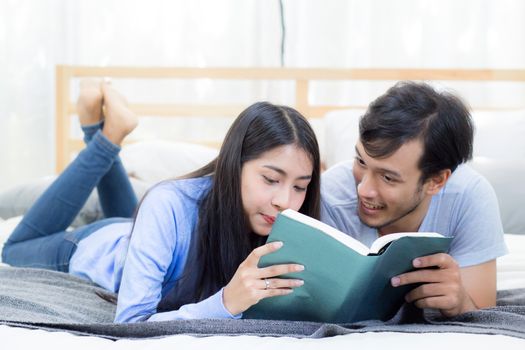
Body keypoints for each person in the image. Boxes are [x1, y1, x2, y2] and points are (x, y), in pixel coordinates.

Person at [1, 80, 321, 323]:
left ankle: (103, 129)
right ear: (232, 165)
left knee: (136, 223)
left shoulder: (294, 220)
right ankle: (100, 136)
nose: (285, 202)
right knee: (13, 249)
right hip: (96, 248)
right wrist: (225, 303)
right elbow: (130, 323)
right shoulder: (168, 203)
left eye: (300, 186)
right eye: (270, 179)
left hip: (137, 236)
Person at [320, 81, 507, 317]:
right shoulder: (329, 195)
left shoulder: (470, 197)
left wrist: (459, 303)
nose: (364, 190)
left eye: (388, 177)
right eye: (361, 162)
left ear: (436, 181)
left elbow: (483, 313)